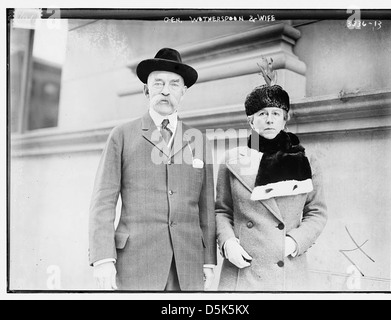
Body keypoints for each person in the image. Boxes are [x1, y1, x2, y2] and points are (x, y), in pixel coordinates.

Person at [89, 48, 217, 291]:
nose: (166, 90)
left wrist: (209, 261)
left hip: (188, 265)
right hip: (137, 263)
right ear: (146, 90)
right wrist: (103, 258)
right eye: (158, 83)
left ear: (184, 91)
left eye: (174, 84)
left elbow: (206, 207)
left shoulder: (198, 139)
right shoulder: (123, 136)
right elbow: (103, 201)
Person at [215, 83, 327, 291]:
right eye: (262, 113)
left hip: (288, 267)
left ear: (285, 119)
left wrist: (294, 242)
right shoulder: (232, 160)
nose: (269, 119)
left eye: (276, 113)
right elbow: (222, 210)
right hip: (242, 268)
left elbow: (317, 212)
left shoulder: (306, 160)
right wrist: (228, 242)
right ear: (251, 120)